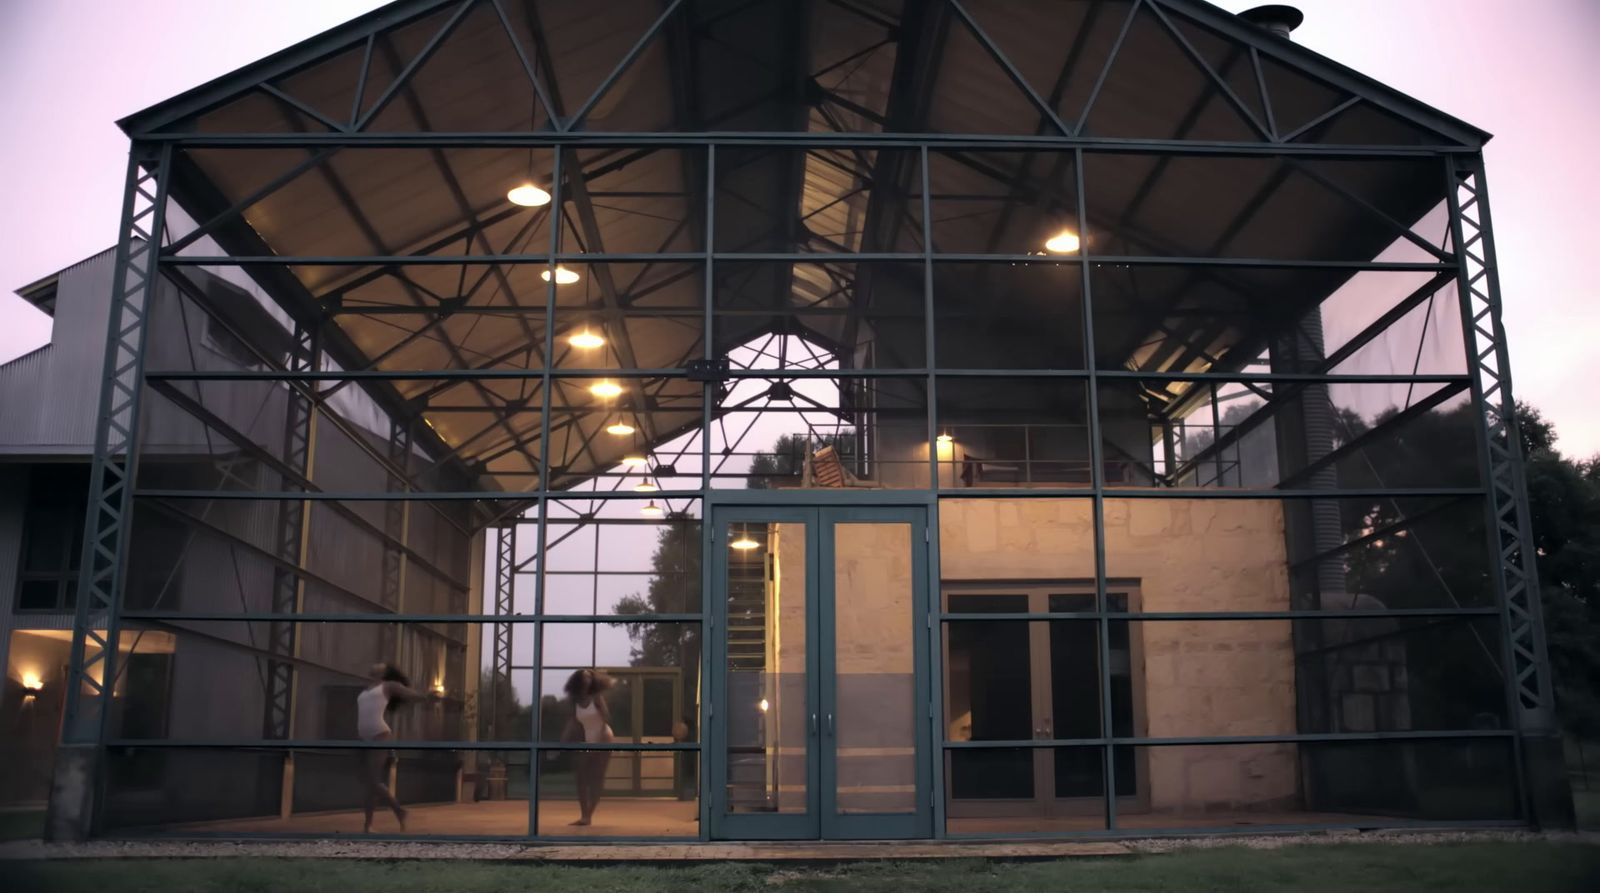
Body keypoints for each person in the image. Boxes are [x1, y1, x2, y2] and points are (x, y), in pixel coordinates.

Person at [356, 662, 430, 833]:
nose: (378, 665)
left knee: (373, 781)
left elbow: (412, 695)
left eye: (382, 665)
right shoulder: (366, 688)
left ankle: (398, 810)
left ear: (384, 673)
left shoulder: (388, 686)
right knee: (369, 783)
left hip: (379, 735)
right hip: (363, 738)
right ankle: (369, 824)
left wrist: (428, 695)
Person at [562, 668, 614, 826]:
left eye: (590, 677)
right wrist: (564, 739)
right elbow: (572, 721)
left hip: (604, 736)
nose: (587, 680)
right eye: (584, 677)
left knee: (597, 777)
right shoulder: (574, 700)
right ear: (578, 680)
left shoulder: (596, 697)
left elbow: (606, 718)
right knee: (581, 777)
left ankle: (588, 815)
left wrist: (599, 742)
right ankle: (584, 814)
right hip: (587, 738)